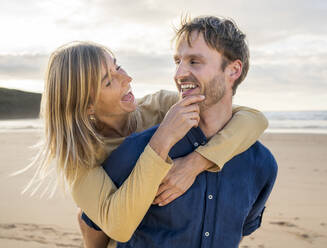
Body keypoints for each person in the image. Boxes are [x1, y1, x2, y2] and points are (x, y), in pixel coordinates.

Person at [27, 40, 268, 246]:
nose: (127, 78)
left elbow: (252, 119)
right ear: (87, 105)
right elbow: (118, 227)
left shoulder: (160, 105)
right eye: (109, 81)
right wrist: (162, 138)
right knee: (86, 217)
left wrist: (195, 163)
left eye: (118, 66)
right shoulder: (81, 158)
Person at [79, 16, 277, 248]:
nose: (179, 73)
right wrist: (163, 140)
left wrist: (198, 162)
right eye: (177, 62)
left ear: (233, 70)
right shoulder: (127, 153)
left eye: (194, 61)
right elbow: (94, 226)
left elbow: (238, 231)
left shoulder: (262, 165)